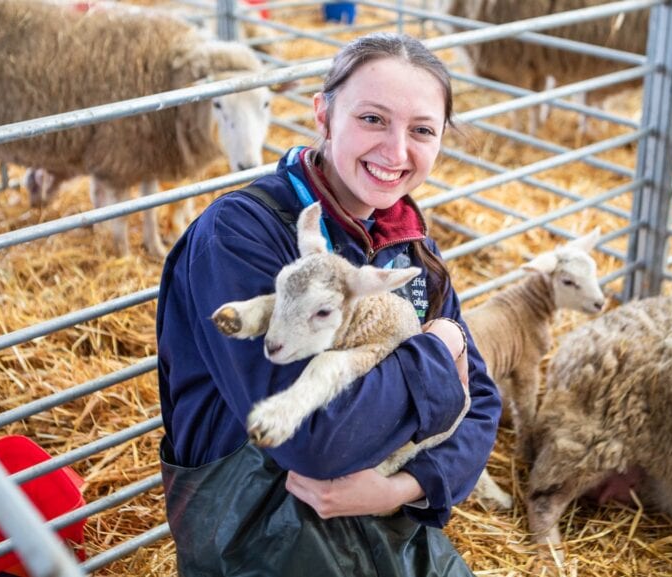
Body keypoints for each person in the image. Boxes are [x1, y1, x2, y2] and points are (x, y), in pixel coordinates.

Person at [156, 32, 502, 577]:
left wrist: (396, 490)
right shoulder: (240, 235)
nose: (396, 151)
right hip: (257, 533)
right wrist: (441, 350)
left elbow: (480, 406)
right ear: (323, 115)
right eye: (372, 119)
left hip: (388, 524)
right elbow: (311, 438)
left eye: (421, 130)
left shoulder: (409, 246)